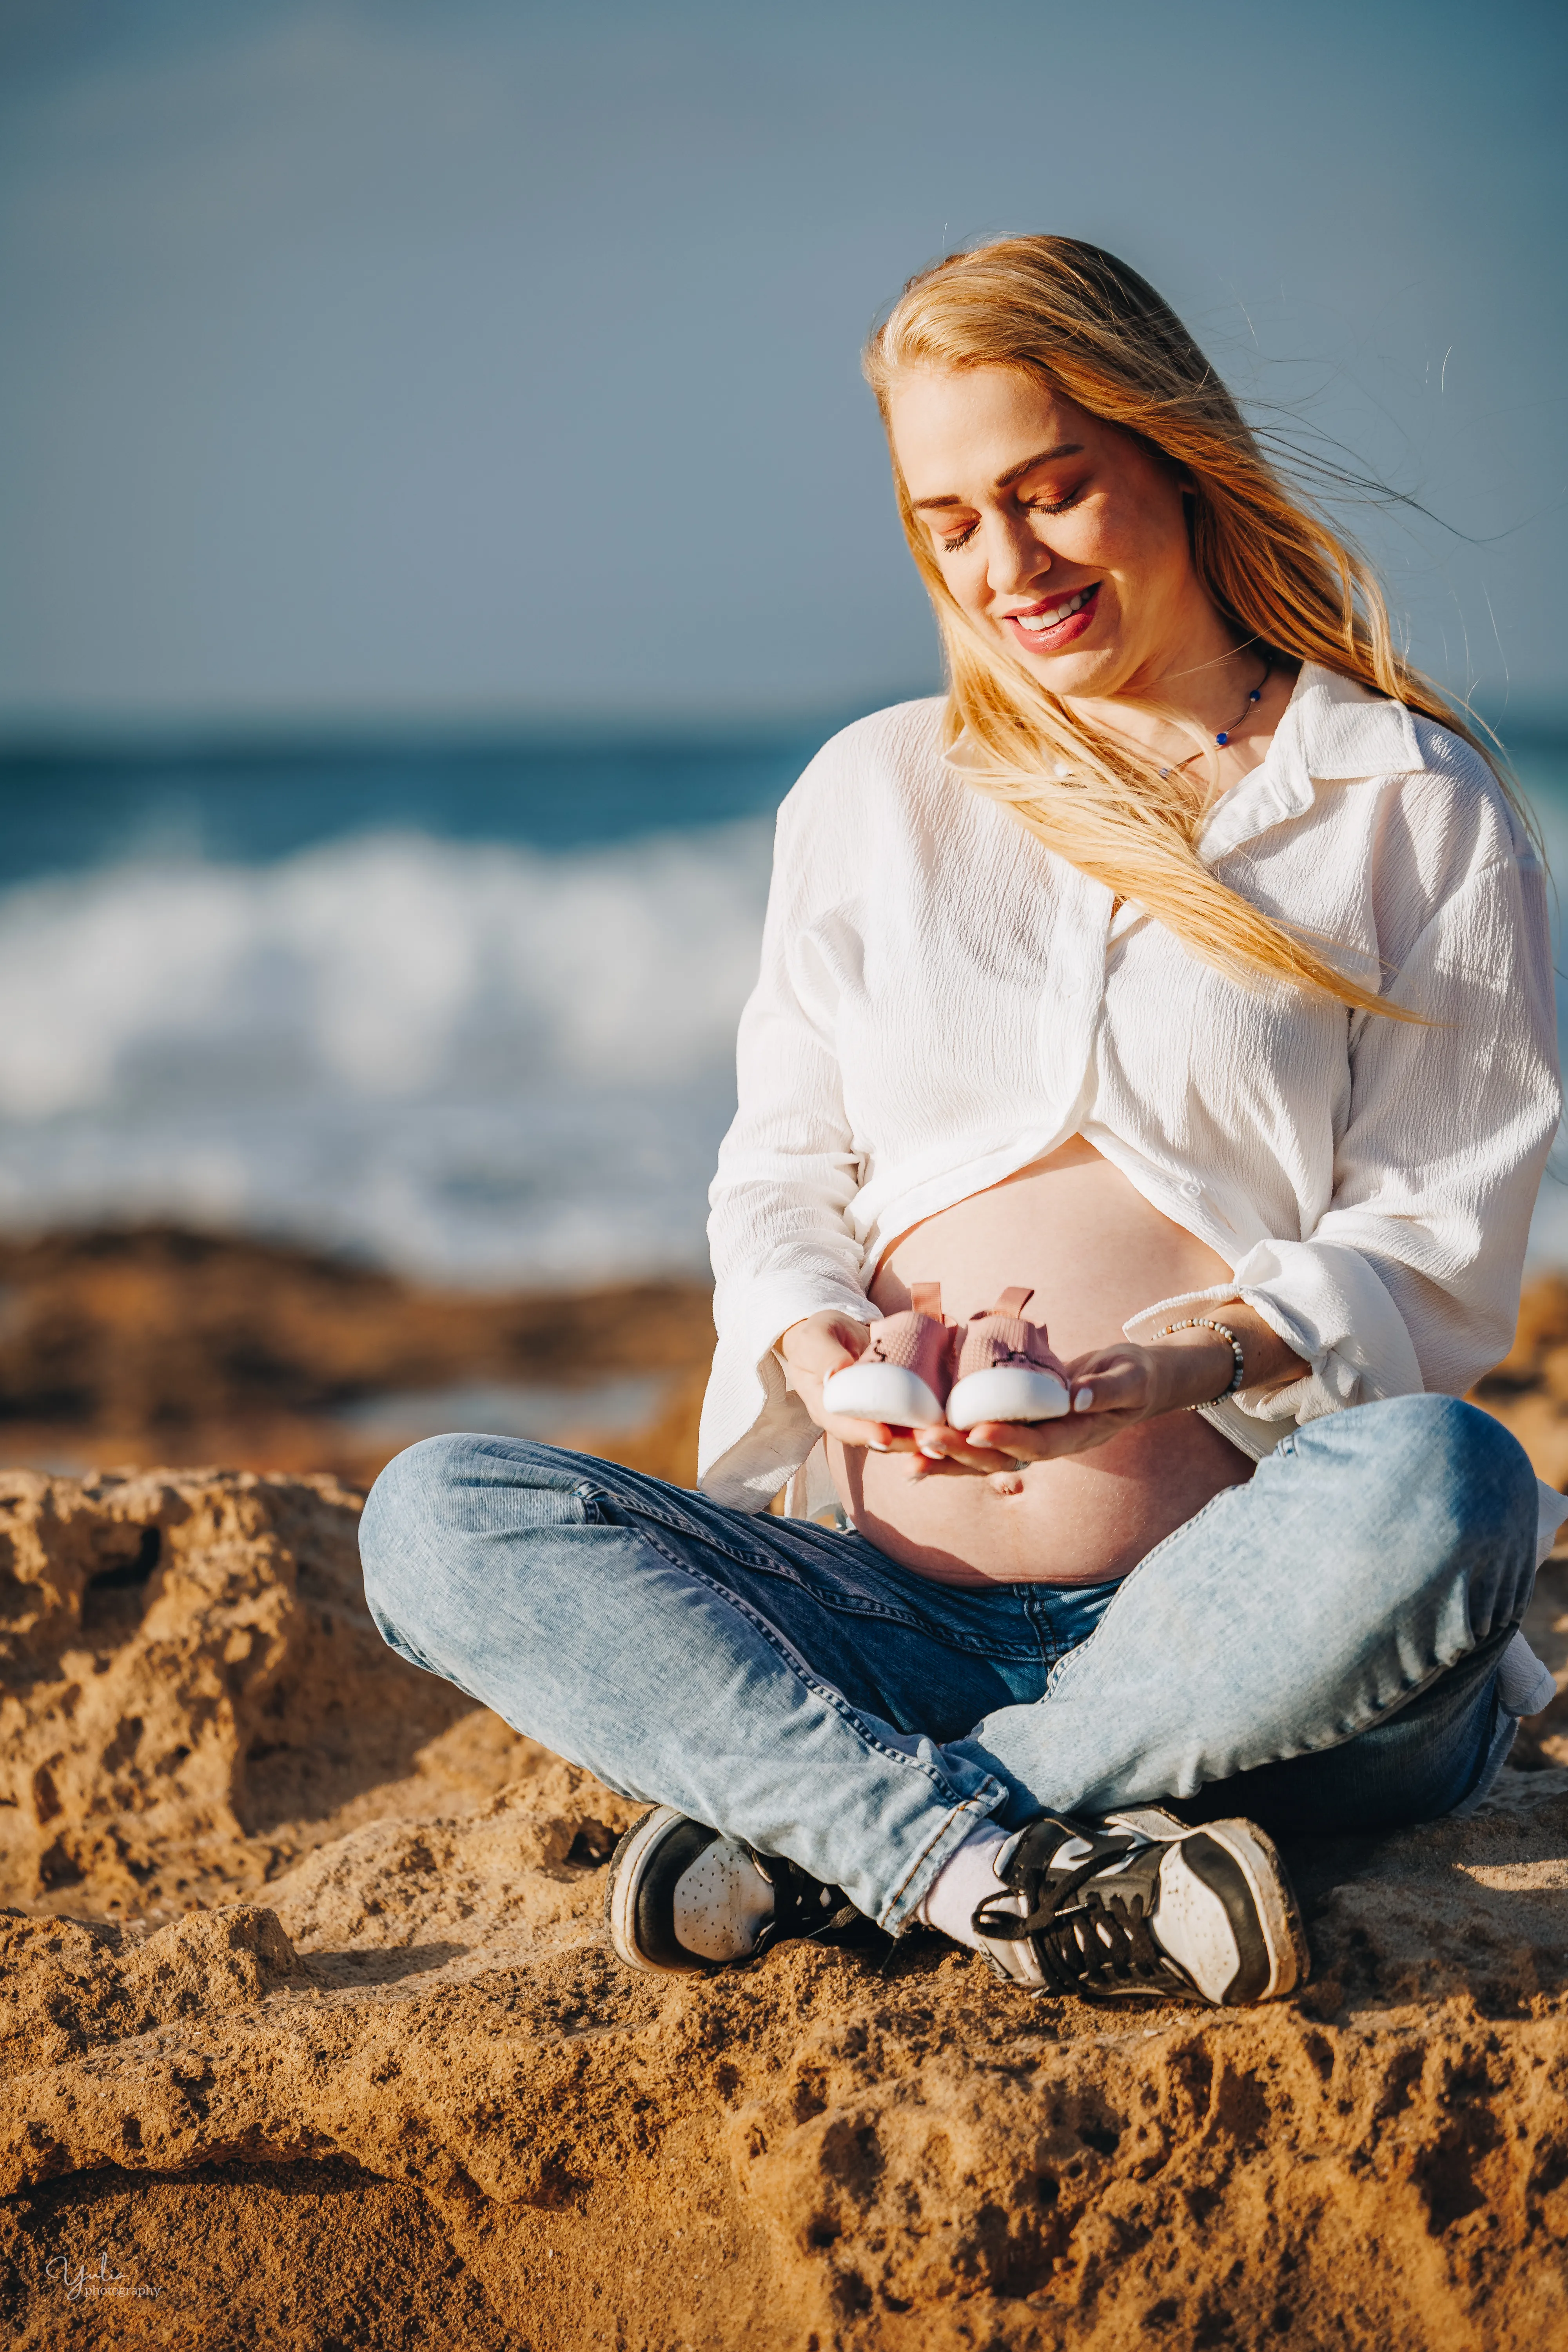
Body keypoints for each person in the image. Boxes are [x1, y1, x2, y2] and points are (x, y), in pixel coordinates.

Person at [359, 238, 1562, 2008]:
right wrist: (820, 1339)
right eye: (950, 520)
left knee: (1456, 1485)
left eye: (1051, 491)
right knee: (434, 1512)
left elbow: (1434, 1236)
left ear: (1170, 451)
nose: (1009, 566)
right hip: (887, 1623)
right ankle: (1011, 1867)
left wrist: (1182, 1364)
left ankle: (867, 1846)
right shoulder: (875, 792)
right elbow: (781, 1169)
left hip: (1257, 1633)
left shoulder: (1400, 801)